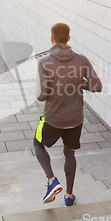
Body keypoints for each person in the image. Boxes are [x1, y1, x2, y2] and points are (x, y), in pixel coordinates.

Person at [33, 22, 103, 207]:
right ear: (69, 38)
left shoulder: (44, 62)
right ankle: (69, 196)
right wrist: (79, 84)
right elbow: (97, 86)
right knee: (69, 152)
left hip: (52, 119)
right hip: (75, 120)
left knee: (37, 144)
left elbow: (41, 95)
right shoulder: (81, 60)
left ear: (52, 38)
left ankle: (51, 181)